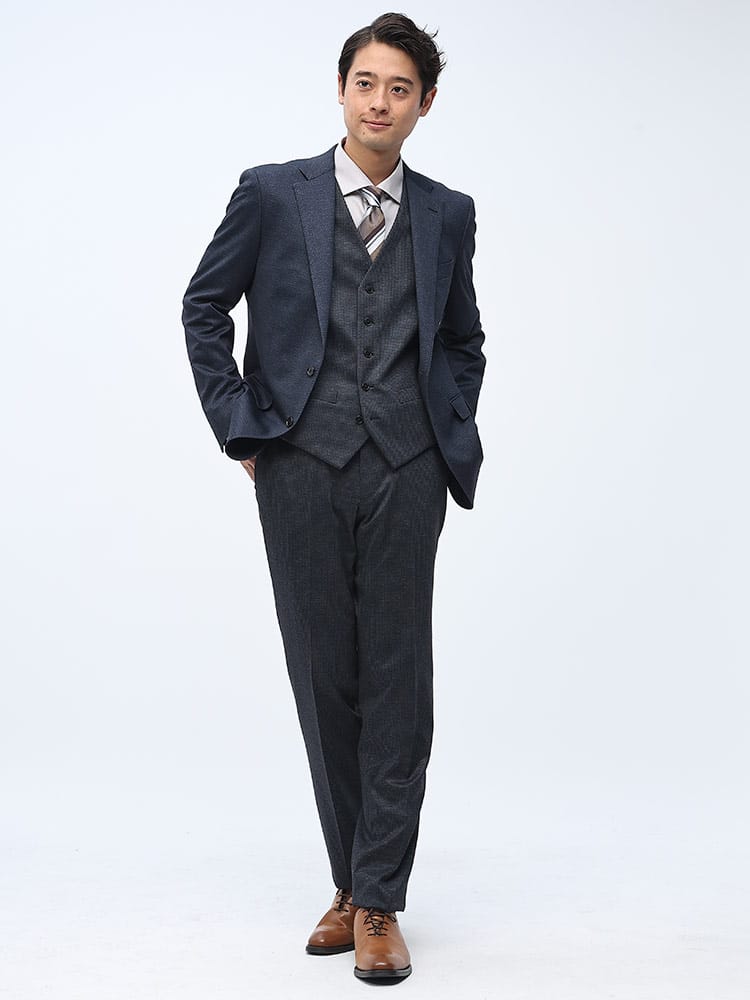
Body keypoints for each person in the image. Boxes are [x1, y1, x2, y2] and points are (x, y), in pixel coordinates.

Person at [182, 12, 485, 985]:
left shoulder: (447, 214)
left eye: (400, 88)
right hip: (300, 464)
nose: (380, 102)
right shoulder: (275, 192)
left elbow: (462, 340)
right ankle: (351, 882)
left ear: (425, 103)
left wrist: (441, 432)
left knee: (398, 681)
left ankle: (378, 899)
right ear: (342, 88)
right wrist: (242, 424)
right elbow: (203, 305)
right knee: (325, 678)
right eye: (366, 83)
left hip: (407, 467)